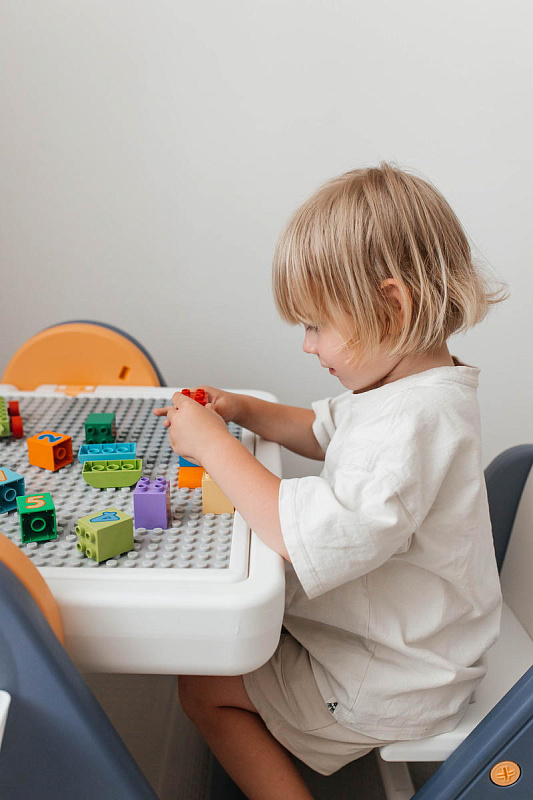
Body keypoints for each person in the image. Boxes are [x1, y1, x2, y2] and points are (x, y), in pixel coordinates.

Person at [154, 163, 506, 800]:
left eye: (316, 325)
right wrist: (244, 410)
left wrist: (211, 445)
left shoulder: (410, 421)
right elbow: (326, 431)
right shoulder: (411, 390)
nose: (308, 345)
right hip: (415, 647)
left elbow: (302, 536)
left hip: (392, 681)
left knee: (202, 688)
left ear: (391, 307)